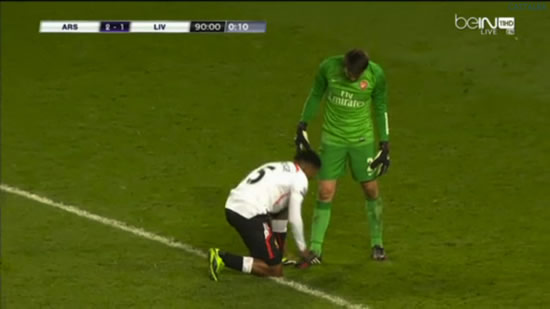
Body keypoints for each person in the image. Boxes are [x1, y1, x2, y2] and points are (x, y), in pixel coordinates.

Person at [295, 48, 390, 265]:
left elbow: (380, 105)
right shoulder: (328, 67)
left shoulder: (376, 75)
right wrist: (303, 123)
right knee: (325, 191)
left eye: (355, 75)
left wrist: (385, 142)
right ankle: (316, 249)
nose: (350, 77)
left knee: (370, 188)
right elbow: (316, 94)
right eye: (348, 71)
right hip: (333, 140)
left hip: (362, 141)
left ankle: (377, 242)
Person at [208, 150, 321, 281]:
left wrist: (281, 252)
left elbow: (280, 215)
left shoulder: (279, 167)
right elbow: (295, 218)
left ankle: (276, 255)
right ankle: (222, 258)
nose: (314, 177)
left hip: (233, 207)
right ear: (310, 168)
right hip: (250, 213)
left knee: (269, 257)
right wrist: (303, 250)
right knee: (275, 270)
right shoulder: (300, 179)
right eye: (315, 172)